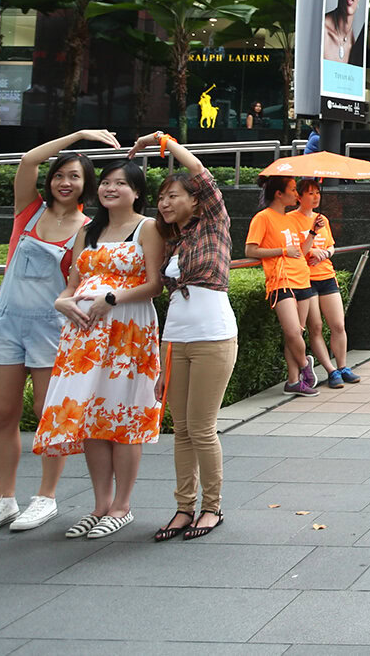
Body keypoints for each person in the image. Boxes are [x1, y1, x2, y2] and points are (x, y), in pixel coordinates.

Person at [0, 130, 112, 537]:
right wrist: (81, 135)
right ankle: (4, 500)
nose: (64, 182)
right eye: (59, 175)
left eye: (75, 177)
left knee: (48, 416)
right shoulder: (27, 212)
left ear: (87, 186)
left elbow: (80, 284)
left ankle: (45, 498)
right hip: (7, 322)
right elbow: (28, 160)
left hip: (52, 328)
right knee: (2, 414)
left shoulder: (87, 229)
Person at [34, 161, 165, 540]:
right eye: (106, 182)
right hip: (84, 336)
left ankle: (122, 506)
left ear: (137, 192)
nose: (110, 189)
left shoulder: (148, 227)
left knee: (122, 416)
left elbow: (155, 284)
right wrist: (62, 302)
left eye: (120, 184)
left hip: (128, 332)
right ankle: (100, 505)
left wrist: (111, 297)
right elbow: (71, 284)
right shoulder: (87, 230)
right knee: (92, 419)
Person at [129, 132, 238, 541]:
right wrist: (160, 361)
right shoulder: (173, 240)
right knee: (182, 430)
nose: (165, 202)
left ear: (195, 200)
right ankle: (183, 508)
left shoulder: (215, 223)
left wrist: (162, 140)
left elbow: (199, 171)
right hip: (176, 340)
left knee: (202, 427)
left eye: (173, 195)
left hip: (214, 337)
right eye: (161, 198)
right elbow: (168, 303)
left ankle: (212, 507)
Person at [247, 176, 321, 397]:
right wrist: (281, 252)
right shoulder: (263, 218)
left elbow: (302, 250)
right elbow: (251, 250)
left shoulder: (289, 218)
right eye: (292, 189)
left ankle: (293, 381)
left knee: (297, 333)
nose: (296, 194)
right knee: (291, 331)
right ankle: (305, 366)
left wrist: (313, 232)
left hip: (302, 277)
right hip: (281, 280)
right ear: (279, 194)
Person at [295, 179, 357, 389]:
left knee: (338, 325)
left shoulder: (323, 220)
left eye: (317, 192)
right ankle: (330, 371)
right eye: (310, 193)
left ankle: (343, 367)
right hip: (306, 279)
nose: (315, 197)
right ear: (298, 197)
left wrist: (324, 254)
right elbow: (297, 251)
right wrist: (312, 243)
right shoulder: (290, 220)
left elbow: (331, 247)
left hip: (327, 276)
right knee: (316, 327)